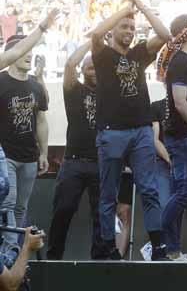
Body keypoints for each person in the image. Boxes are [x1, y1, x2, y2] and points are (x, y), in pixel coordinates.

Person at [89, 0, 171, 260]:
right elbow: (96, 34)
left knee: (148, 188)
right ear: (113, 30)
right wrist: (123, 10)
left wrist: (141, 6)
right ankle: (108, 247)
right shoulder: (102, 55)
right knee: (109, 193)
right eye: (124, 27)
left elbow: (165, 34)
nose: (129, 31)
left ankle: (158, 244)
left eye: (132, 28)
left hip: (141, 130)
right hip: (112, 131)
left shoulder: (139, 53)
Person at [0, 10, 56, 236]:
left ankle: (14, 253)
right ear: (12, 55)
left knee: (21, 208)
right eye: (24, 51)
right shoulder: (1, 81)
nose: (29, 55)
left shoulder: (34, 85)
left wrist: (43, 152)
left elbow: (42, 117)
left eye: (31, 51)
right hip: (6, 155)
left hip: (29, 156)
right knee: (9, 204)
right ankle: (11, 253)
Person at [47, 42, 103, 260]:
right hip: (74, 162)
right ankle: (54, 259)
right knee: (63, 210)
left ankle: (99, 262)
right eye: (90, 68)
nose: (94, 71)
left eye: (97, 67)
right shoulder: (74, 90)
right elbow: (70, 64)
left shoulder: (109, 94)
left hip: (101, 162)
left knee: (102, 216)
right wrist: (93, 40)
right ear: (83, 70)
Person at [157, 14, 187, 261]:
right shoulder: (182, 63)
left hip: (186, 138)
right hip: (182, 137)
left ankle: (173, 250)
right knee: (184, 193)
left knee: (182, 191)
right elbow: (180, 102)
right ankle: (164, 242)